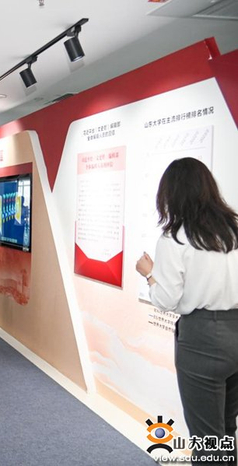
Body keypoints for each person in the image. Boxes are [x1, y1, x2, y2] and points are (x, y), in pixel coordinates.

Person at [135, 157, 238, 466]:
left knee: (207, 438)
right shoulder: (233, 229)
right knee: (226, 430)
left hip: (202, 339)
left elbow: (166, 300)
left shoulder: (175, 237)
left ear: (170, 194)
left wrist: (149, 274)